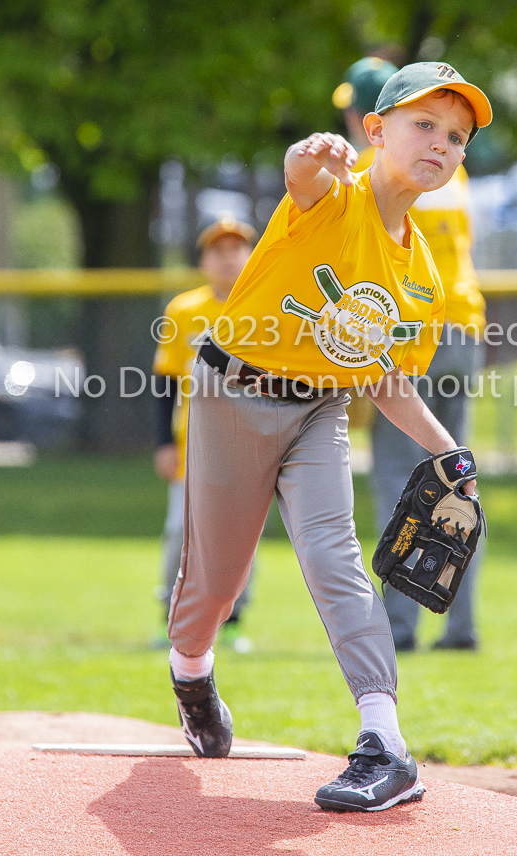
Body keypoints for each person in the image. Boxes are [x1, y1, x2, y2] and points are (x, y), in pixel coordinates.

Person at [166, 61, 492, 812]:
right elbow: (299, 177)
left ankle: (385, 743)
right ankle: (191, 670)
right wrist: (309, 156)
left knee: (335, 554)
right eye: (423, 125)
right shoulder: (331, 196)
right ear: (374, 130)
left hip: (319, 410)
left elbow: (385, 379)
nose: (441, 144)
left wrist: (449, 451)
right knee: (217, 580)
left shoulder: (424, 281)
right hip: (229, 396)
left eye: (457, 136)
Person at [334, 57, 486, 652]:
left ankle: (400, 625)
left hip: (408, 333)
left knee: (404, 478)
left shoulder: (384, 171)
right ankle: (463, 626)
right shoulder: (454, 167)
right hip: (466, 327)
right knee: (459, 477)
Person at [152, 216, 257, 652]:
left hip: (249, 442)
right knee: (181, 530)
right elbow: (164, 382)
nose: (228, 258)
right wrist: (162, 443)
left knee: (239, 536)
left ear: (252, 257)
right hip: (192, 443)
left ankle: (232, 621)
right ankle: (170, 616)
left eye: (237, 249)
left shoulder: (264, 306)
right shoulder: (183, 310)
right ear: (203, 261)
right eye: (218, 250)